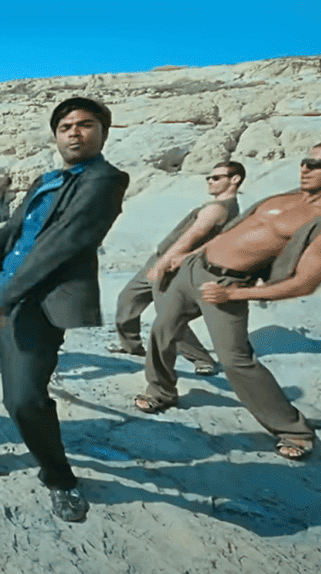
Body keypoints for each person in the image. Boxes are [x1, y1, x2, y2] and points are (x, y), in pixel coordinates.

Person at [0, 97, 129, 522]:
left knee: (23, 399)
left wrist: (5, 299)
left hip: (36, 304)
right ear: (56, 135)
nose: (74, 132)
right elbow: (12, 232)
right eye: (65, 126)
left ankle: (60, 479)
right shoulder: (47, 179)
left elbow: (60, 247)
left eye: (85, 124)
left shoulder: (106, 180)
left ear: (102, 131)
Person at [136, 144, 321, 461]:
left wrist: (233, 294)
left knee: (235, 359)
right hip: (193, 270)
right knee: (163, 330)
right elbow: (231, 233)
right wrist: (186, 256)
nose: (305, 168)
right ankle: (161, 391)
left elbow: (304, 284)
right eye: (306, 161)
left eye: (316, 165)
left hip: (226, 285)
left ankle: (294, 430)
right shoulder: (284, 197)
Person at [109, 161, 244, 375]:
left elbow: (190, 239)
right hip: (161, 259)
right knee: (128, 298)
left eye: (217, 177)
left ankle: (202, 360)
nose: (210, 180)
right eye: (209, 177)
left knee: (168, 316)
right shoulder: (221, 208)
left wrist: (166, 264)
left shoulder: (218, 209)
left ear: (234, 180)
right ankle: (131, 347)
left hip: (174, 265)